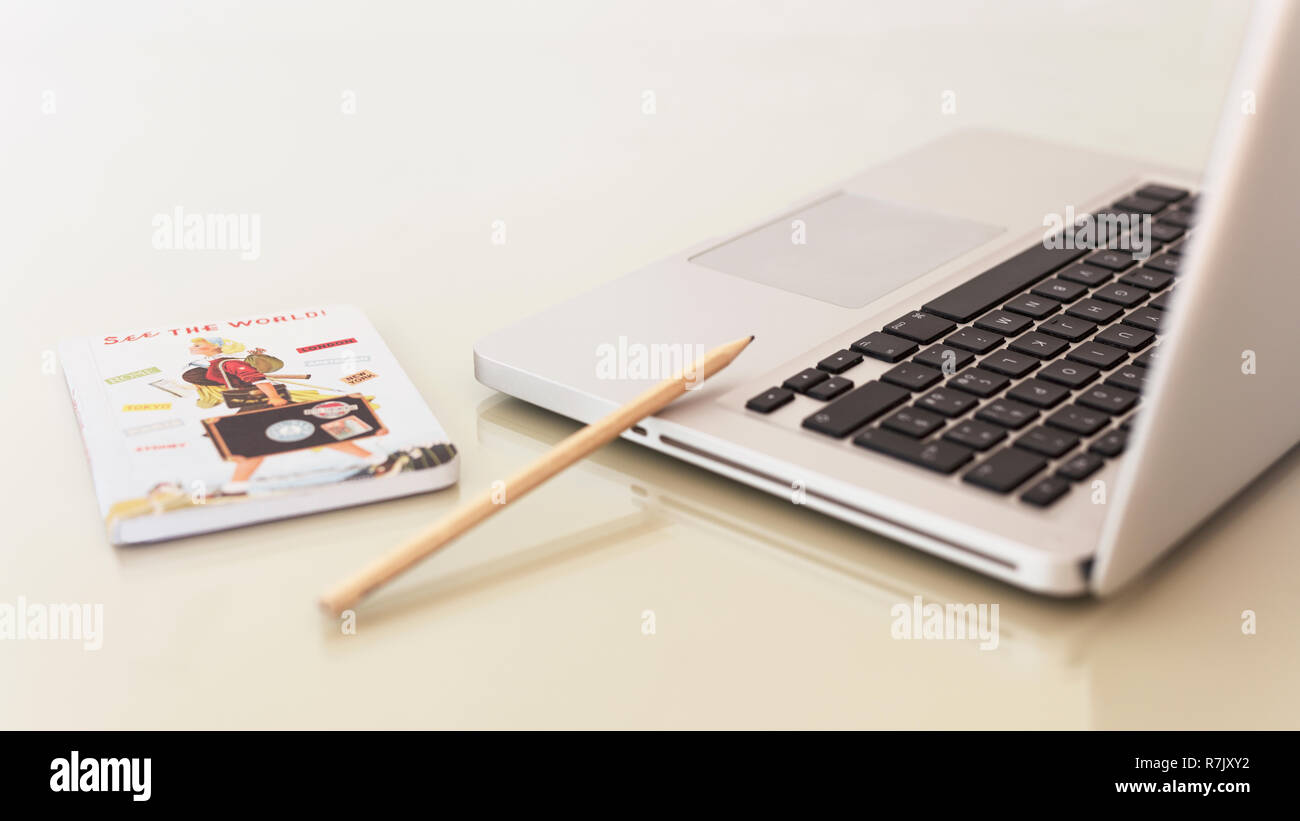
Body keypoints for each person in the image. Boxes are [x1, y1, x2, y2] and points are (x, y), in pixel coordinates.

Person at [185, 336, 386, 495]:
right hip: (254, 403)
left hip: (264, 402)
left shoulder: (229, 363)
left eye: (199, 345)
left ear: (215, 347)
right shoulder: (214, 363)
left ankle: (376, 457)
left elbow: (257, 379)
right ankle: (236, 486)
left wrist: (274, 397)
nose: (193, 347)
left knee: (312, 432)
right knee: (259, 443)